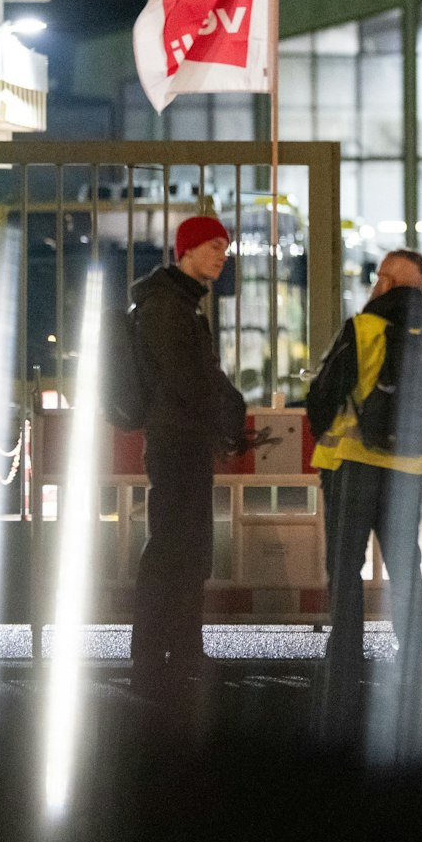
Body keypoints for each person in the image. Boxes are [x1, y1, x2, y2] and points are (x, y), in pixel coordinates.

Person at [128, 215, 247, 698]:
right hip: (177, 441)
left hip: (185, 439)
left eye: (225, 247)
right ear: (188, 249)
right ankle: (155, 654)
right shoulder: (167, 307)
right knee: (174, 548)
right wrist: (224, 414)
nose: (222, 255)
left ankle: (178, 648)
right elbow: (187, 377)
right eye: (214, 246)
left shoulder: (181, 303)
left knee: (188, 548)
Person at [305, 250, 422, 684]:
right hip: (408, 469)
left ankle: (345, 656)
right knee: (404, 563)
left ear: (385, 281)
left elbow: (322, 397)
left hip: (352, 465)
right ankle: (415, 651)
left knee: (345, 564)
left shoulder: (363, 328)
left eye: (380, 276)